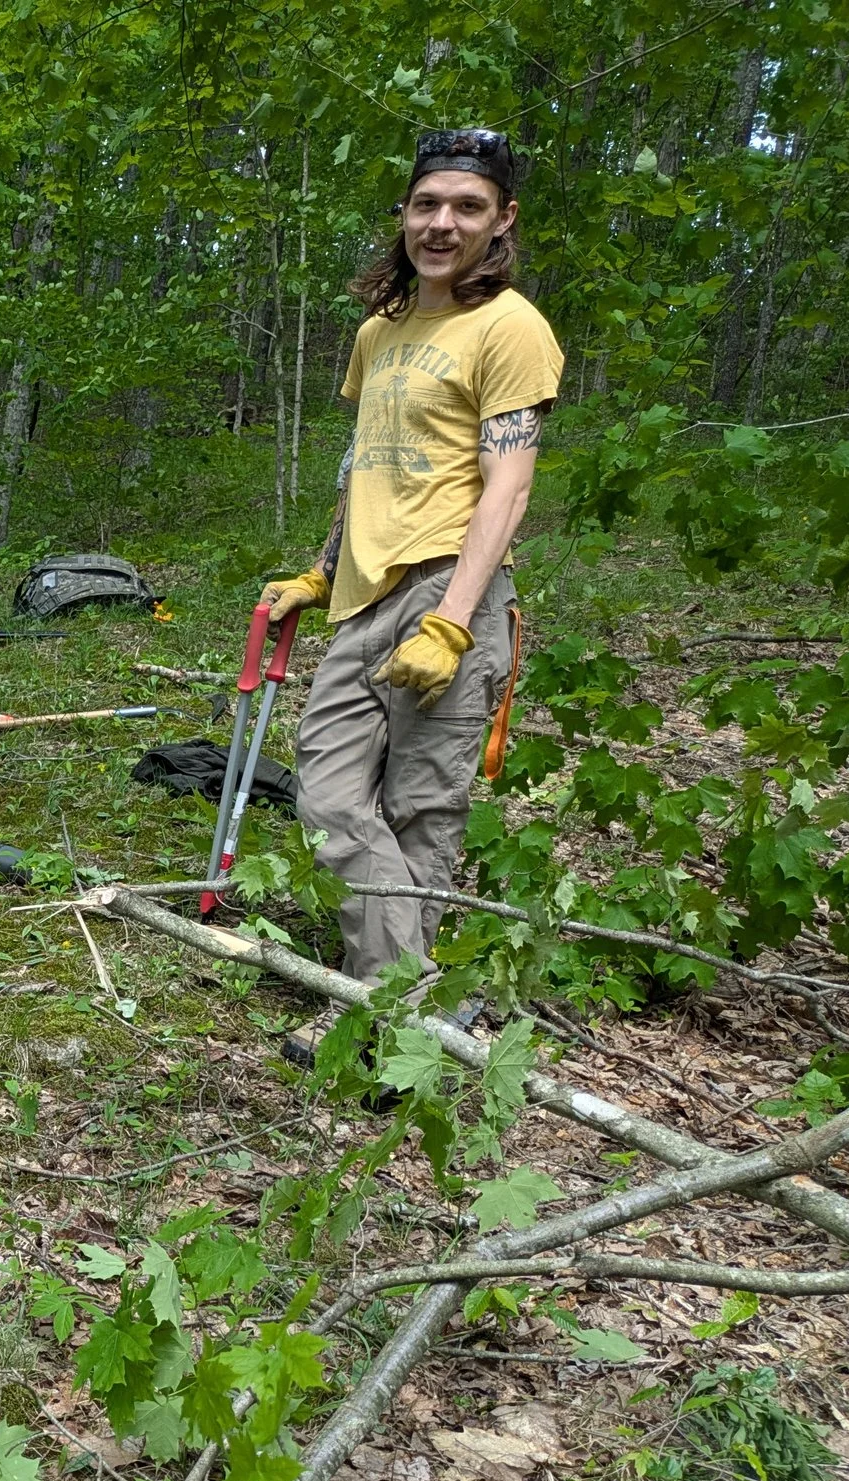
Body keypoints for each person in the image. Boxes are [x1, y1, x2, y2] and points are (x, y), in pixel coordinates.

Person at [261, 127, 561, 999]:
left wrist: (451, 622)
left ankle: (384, 1019)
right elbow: (366, 462)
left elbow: (506, 489)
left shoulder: (511, 328)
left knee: (422, 812)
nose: (442, 224)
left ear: (502, 220)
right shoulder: (380, 331)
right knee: (327, 798)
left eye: (467, 207)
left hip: (445, 590)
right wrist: (323, 570)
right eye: (427, 204)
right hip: (362, 600)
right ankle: (413, 1000)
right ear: (404, 214)